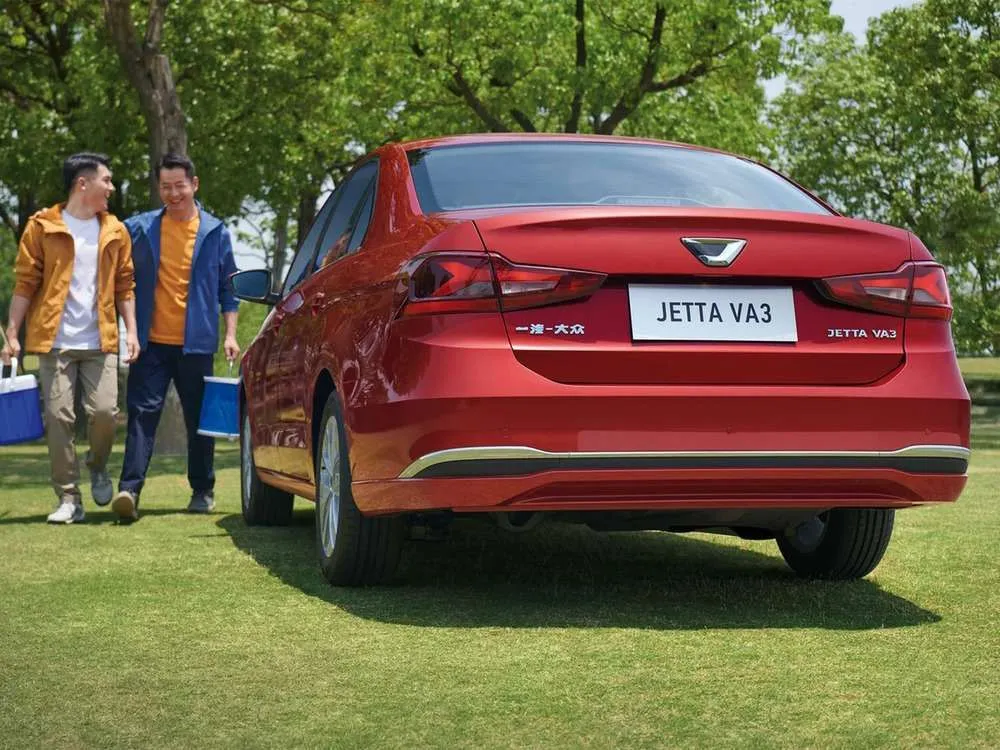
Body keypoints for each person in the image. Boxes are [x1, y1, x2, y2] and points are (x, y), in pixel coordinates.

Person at [1, 152, 139, 524]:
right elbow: (25, 283)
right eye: (106, 180)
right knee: (58, 417)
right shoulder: (42, 226)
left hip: (101, 340)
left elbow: (125, 285)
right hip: (55, 340)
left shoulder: (115, 230)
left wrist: (131, 332)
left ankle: (97, 465)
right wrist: (12, 333)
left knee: (105, 413)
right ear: (83, 183)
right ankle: (68, 496)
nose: (111, 188)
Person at [111, 153, 239, 522]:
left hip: (197, 343)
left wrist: (231, 334)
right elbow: (109, 238)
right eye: (165, 187)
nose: (173, 193)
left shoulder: (215, 232)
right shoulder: (141, 228)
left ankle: (202, 489)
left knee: (199, 419)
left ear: (194, 185)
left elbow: (228, 289)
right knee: (141, 414)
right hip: (150, 343)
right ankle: (129, 490)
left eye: (179, 186)